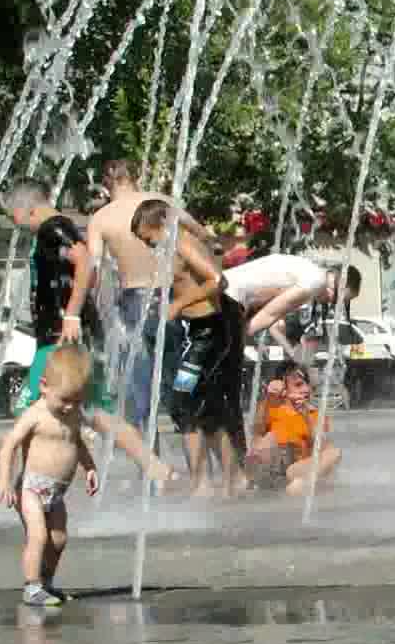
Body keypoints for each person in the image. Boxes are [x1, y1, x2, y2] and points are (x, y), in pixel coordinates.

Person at [2, 180, 176, 487]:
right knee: (98, 412)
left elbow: (85, 261)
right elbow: (87, 272)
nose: (14, 223)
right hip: (72, 336)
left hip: (59, 340)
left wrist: (71, 313)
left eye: (11, 215)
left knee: (29, 410)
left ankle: (31, 485)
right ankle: (158, 470)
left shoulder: (53, 228)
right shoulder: (60, 227)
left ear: (24, 209)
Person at [88, 159, 212, 439]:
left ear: (106, 184)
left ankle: (151, 465)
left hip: (134, 304)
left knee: (140, 398)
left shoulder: (101, 218)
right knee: (182, 389)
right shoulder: (161, 203)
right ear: (136, 177)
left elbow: (93, 270)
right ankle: (200, 463)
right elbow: (204, 237)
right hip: (175, 298)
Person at [131, 199, 247, 498]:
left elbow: (218, 280)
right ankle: (220, 480)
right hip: (199, 331)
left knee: (187, 400)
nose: (148, 245)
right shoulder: (176, 246)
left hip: (209, 332)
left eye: (148, 238)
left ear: (160, 225)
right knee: (200, 406)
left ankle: (221, 479)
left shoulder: (183, 243)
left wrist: (178, 304)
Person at [0, 345, 100, 606]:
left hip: (56, 492)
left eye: (77, 401)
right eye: (65, 400)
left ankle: (46, 583)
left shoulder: (73, 414)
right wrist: (5, 481)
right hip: (30, 487)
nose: (70, 407)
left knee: (59, 539)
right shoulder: (36, 414)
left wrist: (90, 467)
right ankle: (32, 587)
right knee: (39, 536)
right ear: (44, 386)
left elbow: (77, 443)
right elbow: (8, 445)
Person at [246, 361, 341, 495]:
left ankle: (303, 484)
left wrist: (306, 416)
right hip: (272, 471)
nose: (306, 389)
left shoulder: (314, 414)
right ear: (282, 389)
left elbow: (321, 447)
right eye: (298, 385)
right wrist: (270, 397)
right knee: (268, 439)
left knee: (334, 452)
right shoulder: (272, 408)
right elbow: (256, 432)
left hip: (297, 471)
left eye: (307, 384)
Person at [221, 253, 333, 355]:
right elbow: (269, 314)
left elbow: (269, 316)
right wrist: (237, 339)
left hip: (225, 285)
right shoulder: (316, 281)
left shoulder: (307, 270)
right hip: (233, 296)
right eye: (334, 300)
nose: (330, 303)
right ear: (332, 289)